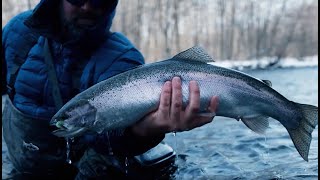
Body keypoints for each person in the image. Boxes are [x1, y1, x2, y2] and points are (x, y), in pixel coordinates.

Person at [2, 0, 219, 179]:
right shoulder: (18, 33)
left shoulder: (122, 58)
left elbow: (111, 141)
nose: (87, 6)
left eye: (99, 0)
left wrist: (144, 131)